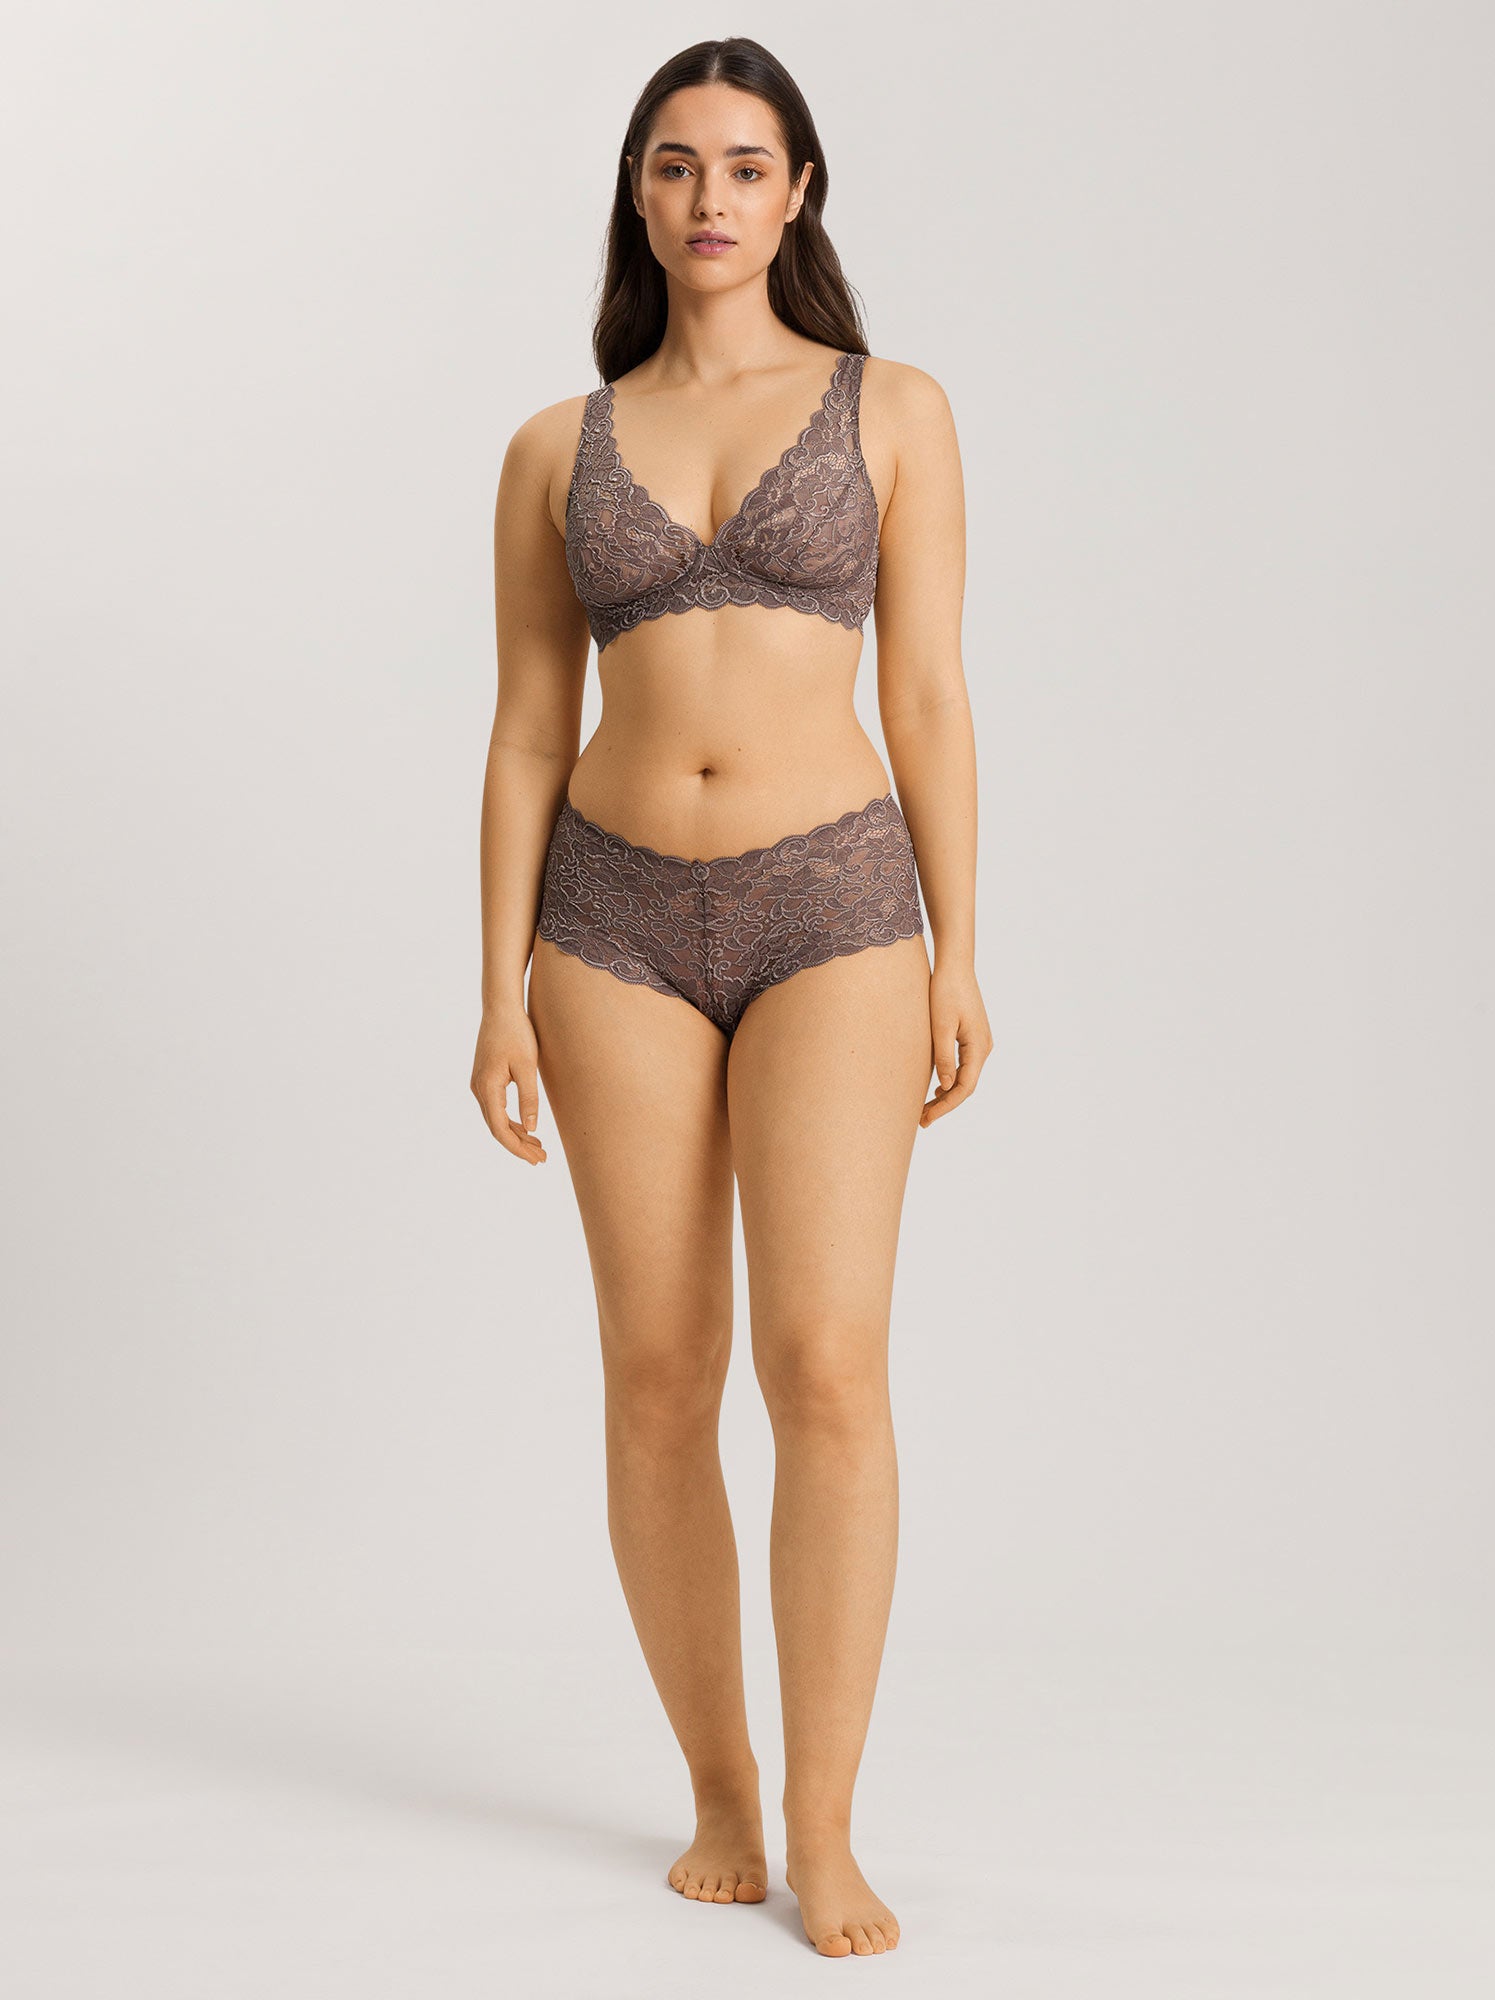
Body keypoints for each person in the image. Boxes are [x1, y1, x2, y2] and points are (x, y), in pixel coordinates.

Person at [471, 34, 991, 1960]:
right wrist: (498, 986)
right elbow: (529, 730)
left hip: (832, 905)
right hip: (607, 921)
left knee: (827, 1365)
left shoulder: (894, 409)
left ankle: (830, 1830)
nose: (711, 197)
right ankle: (721, 1788)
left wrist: (961, 946)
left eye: (747, 166)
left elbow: (927, 691)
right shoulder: (556, 448)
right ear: (640, 189)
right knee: (658, 1372)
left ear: (798, 194)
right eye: (677, 164)